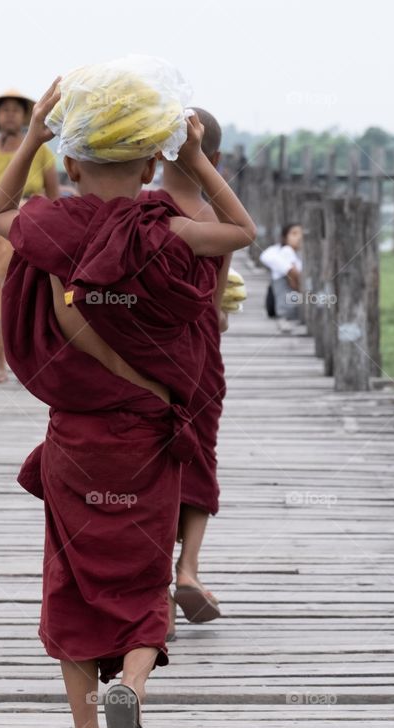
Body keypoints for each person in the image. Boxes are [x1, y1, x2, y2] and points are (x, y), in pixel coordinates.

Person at [0, 73, 256, 728]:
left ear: (70, 164)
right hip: (148, 439)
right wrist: (196, 159)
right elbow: (242, 233)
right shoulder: (164, 231)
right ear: (148, 167)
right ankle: (132, 682)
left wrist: (36, 128)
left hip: (77, 444)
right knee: (141, 579)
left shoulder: (47, 229)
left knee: (72, 584)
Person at [159, 107, 229, 639]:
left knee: (155, 455)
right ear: (215, 160)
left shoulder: (140, 212)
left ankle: (153, 580)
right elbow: (218, 295)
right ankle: (189, 569)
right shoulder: (215, 221)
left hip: (151, 351)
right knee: (198, 451)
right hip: (201, 346)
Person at [0, 88, 59, 383]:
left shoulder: (40, 151)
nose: (10, 115)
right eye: (4, 110)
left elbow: (53, 195)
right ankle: (0, 361)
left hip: (30, 222)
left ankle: (30, 360)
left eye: (15, 110)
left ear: (23, 116)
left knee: (28, 291)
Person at [260, 223, 303, 332]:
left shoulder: (298, 254)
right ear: (285, 237)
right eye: (294, 234)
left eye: (301, 234)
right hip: (287, 311)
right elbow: (293, 275)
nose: (299, 237)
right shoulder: (285, 251)